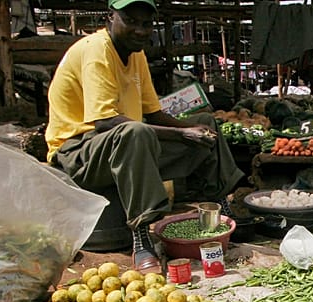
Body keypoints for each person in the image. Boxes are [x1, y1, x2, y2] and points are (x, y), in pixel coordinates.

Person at [45, 0, 244, 273]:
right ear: (109, 18)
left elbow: (154, 114)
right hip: (77, 153)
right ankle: (141, 236)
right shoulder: (96, 51)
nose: (140, 30)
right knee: (135, 132)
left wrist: (191, 130)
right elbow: (105, 123)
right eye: (131, 21)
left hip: (123, 146)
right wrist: (181, 133)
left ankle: (218, 211)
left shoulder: (135, 54)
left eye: (146, 24)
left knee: (205, 123)